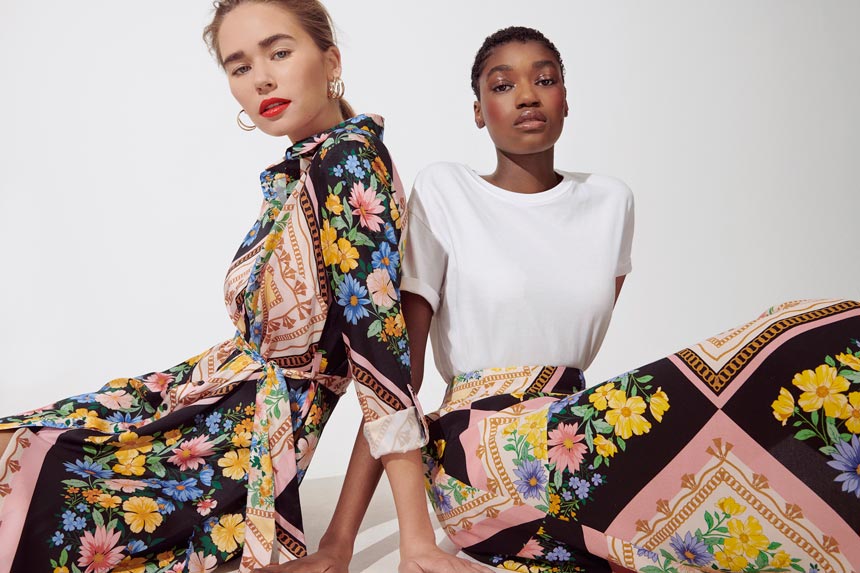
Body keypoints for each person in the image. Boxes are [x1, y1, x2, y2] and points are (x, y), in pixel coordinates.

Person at [296, 26, 860, 572]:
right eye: (501, 85)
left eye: (544, 80)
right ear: (477, 111)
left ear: (566, 100)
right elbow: (395, 380)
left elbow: (575, 342)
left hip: (577, 425)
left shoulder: (611, 202)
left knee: (808, 340)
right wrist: (339, 541)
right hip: (478, 445)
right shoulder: (446, 189)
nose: (525, 96)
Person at [0, 2, 489, 573]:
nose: (261, 77)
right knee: (27, 444)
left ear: (330, 60)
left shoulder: (348, 163)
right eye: (239, 66)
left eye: (279, 52)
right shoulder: (306, 167)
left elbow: (383, 361)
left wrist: (410, 542)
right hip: (199, 397)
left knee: (25, 471)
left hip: (236, 442)